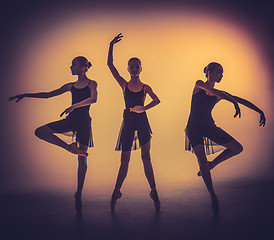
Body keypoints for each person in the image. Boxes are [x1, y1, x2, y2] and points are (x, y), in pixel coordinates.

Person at [9, 56, 98, 212]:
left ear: (83, 67)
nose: (70, 67)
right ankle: (69, 147)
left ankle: (78, 192)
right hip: (71, 120)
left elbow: (93, 99)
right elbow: (48, 94)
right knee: (40, 131)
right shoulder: (70, 85)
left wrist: (74, 106)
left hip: (84, 122)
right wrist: (26, 94)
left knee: (82, 159)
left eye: (73, 64)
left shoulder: (92, 83)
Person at [185, 62, 266, 216]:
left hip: (209, 126)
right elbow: (220, 94)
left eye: (222, 73)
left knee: (237, 148)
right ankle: (212, 195)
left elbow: (240, 100)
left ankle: (212, 164)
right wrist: (232, 102)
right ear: (209, 72)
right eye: (218, 72)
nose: (221, 75)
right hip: (193, 127)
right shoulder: (199, 84)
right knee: (201, 160)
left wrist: (259, 110)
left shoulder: (219, 93)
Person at [107, 33, 161, 211]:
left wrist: (142, 108)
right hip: (128, 123)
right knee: (125, 160)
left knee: (147, 158)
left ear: (140, 68)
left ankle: (154, 191)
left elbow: (157, 100)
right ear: (128, 69)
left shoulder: (146, 87)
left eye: (137, 66)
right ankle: (116, 191)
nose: (134, 68)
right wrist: (111, 45)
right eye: (131, 66)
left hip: (143, 122)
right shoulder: (123, 84)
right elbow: (110, 65)